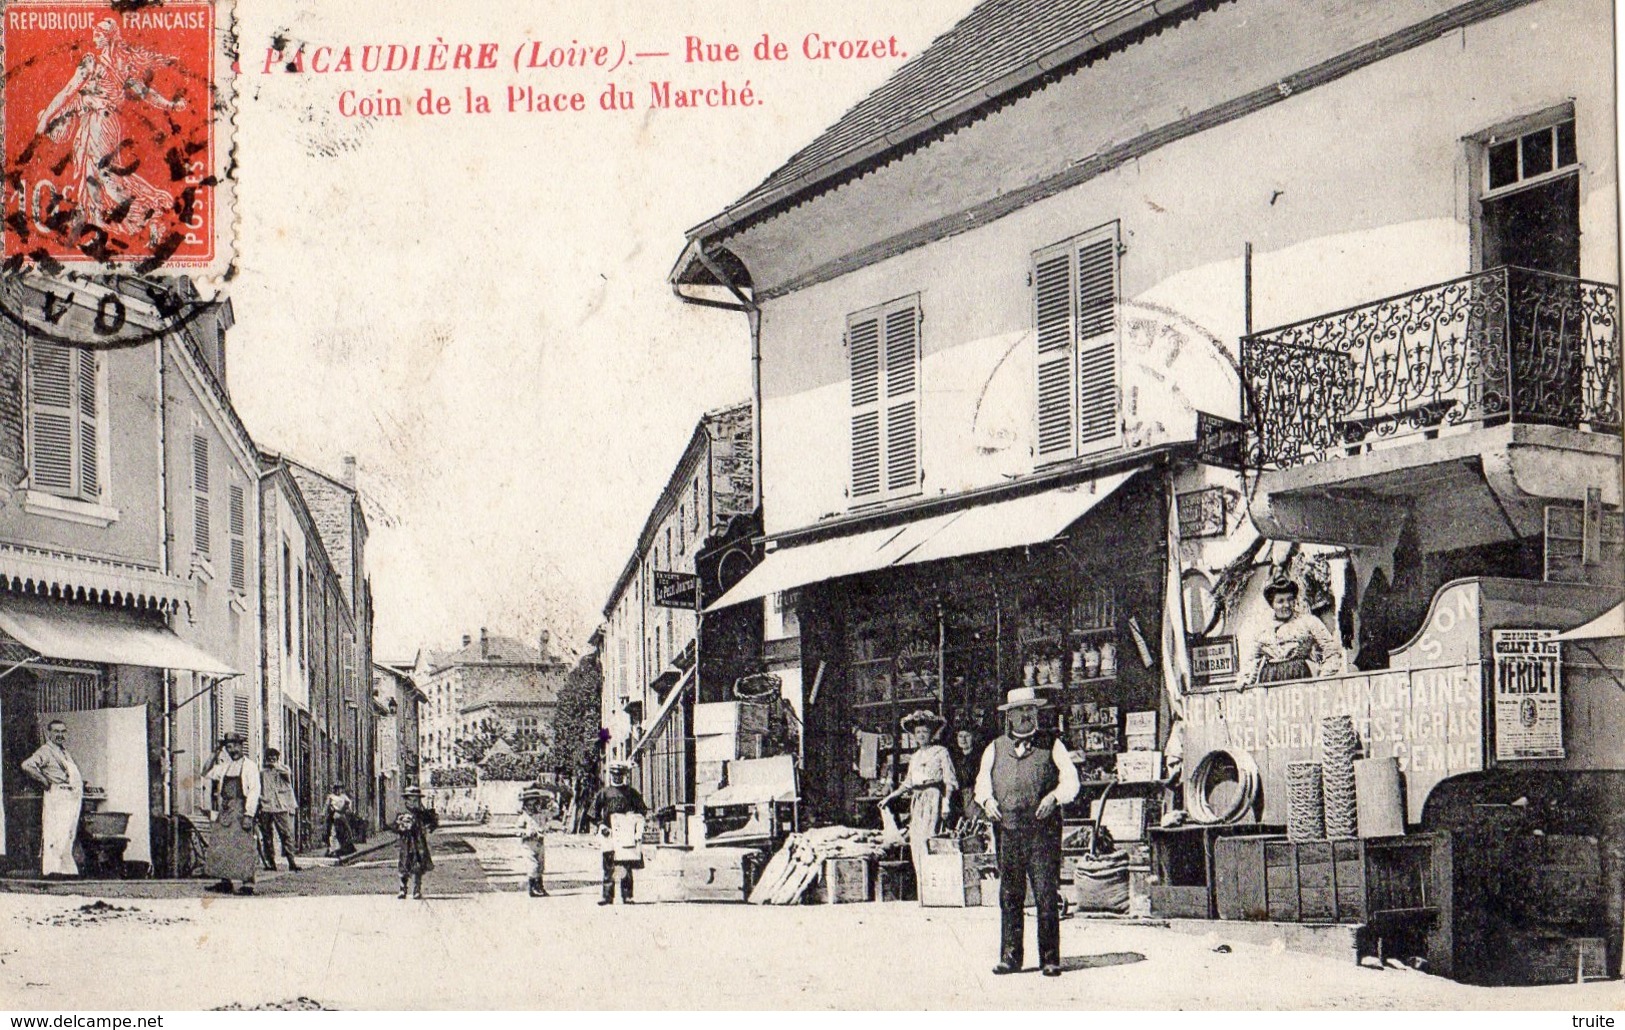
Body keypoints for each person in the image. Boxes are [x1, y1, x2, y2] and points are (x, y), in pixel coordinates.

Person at [33, 18, 186, 246]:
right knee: (94, 181)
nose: (95, 35)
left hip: (99, 125)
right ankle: (107, 225)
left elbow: (67, 92)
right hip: (98, 124)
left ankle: (151, 213)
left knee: (105, 179)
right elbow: (144, 92)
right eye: (95, 31)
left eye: (100, 32)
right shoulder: (117, 65)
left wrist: (44, 120)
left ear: (110, 38)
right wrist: (170, 105)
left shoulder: (94, 64)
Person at [974, 687, 1080, 978]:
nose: (1025, 716)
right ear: (1009, 716)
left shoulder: (1052, 744)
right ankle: (1010, 957)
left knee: (1046, 894)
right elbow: (981, 783)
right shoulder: (994, 747)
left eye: (1030, 710)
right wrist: (987, 801)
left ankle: (1050, 958)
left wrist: (1054, 797)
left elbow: (1072, 781)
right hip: (1008, 831)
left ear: (1036, 713)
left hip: (1042, 833)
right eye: (1019, 711)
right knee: (1010, 894)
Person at [879, 709, 958, 886]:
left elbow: (949, 780)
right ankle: (922, 884)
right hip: (918, 800)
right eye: (918, 733)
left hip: (934, 798)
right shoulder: (914, 757)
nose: (921, 735)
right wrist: (890, 797)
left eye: (925, 732)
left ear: (931, 734)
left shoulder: (941, 752)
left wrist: (946, 803)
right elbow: (908, 782)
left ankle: (936, 884)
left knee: (930, 838)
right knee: (915, 840)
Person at [1240, 574, 1346, 687]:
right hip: (1270, 679)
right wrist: (1245, 680)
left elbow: (1332, 651)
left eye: (1290, 600)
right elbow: (1252, 660)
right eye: (1280, 601)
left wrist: (1323, 678)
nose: (1286, 605)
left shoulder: (1308, 622)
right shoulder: (1263, 628)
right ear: (1272, 604)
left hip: (1300, 676)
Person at [20, 720, 83, 878]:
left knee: (68, 834)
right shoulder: (46, 751)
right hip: (58, 795)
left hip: (70, 796)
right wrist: (44, 780)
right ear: (49, 733)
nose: (60, 735)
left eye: (63, 731)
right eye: (56, 731)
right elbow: (27, 765)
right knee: (56, 832)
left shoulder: (64, 752)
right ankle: (53, 870)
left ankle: (67, 870)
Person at [202, 733, 261, 895]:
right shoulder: (225, 766)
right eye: (228, 747)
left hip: (241, 809)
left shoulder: (250, 766)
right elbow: (205, 772)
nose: (232, 750)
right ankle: (225, 881)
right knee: (221, 845)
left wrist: (249, 814)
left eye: (235, 746)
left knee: (243, 845)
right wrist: (215, 752)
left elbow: (254, 791)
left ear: (241, 746)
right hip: (226, 809)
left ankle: (248, 883)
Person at [587, 762, 647, 905]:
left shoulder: (631, 793)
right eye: (615, 774)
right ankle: (607, 896)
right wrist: (601, 825)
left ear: (624, 776)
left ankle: (627, 895)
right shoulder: (604, 793)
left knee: (626, 864)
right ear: (611, 775)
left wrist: (633, 821)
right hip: (609, 832)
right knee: (608, 863)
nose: (618, 777)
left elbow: (642, 811)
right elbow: (593, 813)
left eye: (620, 775)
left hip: (626, 833)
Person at [258, 748, 300, 872]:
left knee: (286, 834)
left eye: (274, 759)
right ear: (265, 759)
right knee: (267, 835)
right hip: (266, 806)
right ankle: (271, 862)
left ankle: (291, 861)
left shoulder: (283, 770)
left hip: (281, 806)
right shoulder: (262, 773)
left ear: (277, 759)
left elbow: (287, 774)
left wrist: (276, 765)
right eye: (269, 759)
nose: (271, 761)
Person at [514, 786, 559, 898]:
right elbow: (517, 830)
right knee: (532, 866)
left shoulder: (542, 815)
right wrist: (527, 832)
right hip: (528, 844)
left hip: (540, 843)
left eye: (535, 804)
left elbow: (555, 812)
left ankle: (539, 887)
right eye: (529, 805)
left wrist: (552, 801)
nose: (532, 807)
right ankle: (531, 888)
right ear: (525, 806)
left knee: (540, 866)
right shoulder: (524, 817)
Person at [394, 785, 439, 899]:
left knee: (417, 864)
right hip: (406, 842)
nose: (413, 802)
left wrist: (430, 824)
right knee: (404, 863)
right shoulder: (402, 812)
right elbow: (395, 826)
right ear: (407, 799)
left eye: (416, 799)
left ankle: (416, 890)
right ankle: (402, 889)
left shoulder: (421, 812)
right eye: (411, 799)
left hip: (418, 841)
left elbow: (432, 824)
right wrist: (401, 827)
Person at [323, 782, 356, 857]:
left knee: (346, 831)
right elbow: (326, 806)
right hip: (333, 816)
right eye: (336, 789)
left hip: (342, 816)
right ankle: (333, 849)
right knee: (332, 833)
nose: (338, 790)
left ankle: (344, 848)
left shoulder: (344, 797)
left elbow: (349, 805)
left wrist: (349, 810)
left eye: (340, 788)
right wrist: (324, 813)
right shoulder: (331, 797)